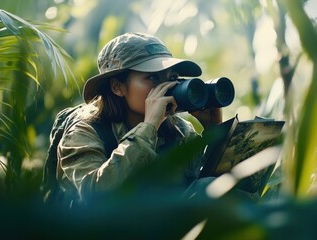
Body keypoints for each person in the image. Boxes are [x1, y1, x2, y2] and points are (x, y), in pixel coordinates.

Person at [52, 32, 222, 207]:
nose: (167, 87)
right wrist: (148, 128)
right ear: (117, 87)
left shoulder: (179, 129)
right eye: (153, 77)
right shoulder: (85, 132)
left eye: (172, 78)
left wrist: (216, 132)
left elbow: (211, 183)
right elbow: (95, 196)